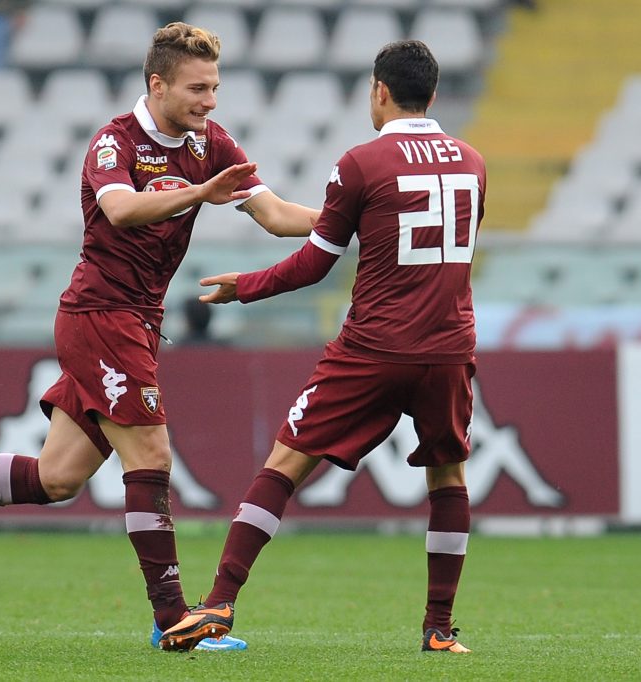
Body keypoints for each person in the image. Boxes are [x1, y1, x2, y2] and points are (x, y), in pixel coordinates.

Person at [0, 22, 319, 652]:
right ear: (157, 85)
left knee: (57, 478)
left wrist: (352, 213)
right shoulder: (114, 143)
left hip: (136, 322)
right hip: (101, 315)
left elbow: (276, 215)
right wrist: (201, 192)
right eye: (198, 88)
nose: (210, 102)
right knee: (152, 456)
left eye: (215, 88)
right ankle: (174, 619)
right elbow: (122, 208)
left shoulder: (211, 143)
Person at [158, 40, 486, 654]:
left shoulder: (361, 162)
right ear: (433, 96)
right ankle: (439, 630)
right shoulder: (472, 160)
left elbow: (313, 265)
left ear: (380, 91)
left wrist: (243, 287)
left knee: (284, 465)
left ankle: (220, 604)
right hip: (447, 348)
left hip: (374, 348)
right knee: (448, 474)